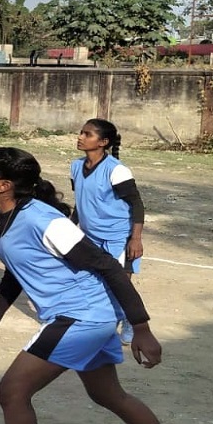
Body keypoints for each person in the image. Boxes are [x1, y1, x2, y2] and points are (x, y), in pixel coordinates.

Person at [0, 147, 213, 424]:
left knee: (12, 392)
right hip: (81, 315)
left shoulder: (44, 221)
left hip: (82, 316)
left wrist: (141, 327)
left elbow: (107, 266)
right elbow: (16, 268)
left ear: (3, 184)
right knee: (108, 394)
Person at [71, 119, 144, 344]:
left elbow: (137, 205)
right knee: (91, 283)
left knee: (120, 285)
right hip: (90, 236)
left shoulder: (117, 170)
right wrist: (70, 227)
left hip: (118, 237)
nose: (80, 137)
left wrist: (135, 239)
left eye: (88, 134)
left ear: (103, 142)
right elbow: (81, 200)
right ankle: (100, 324)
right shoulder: (75, 166)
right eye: (81, 133)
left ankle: (130, 320)